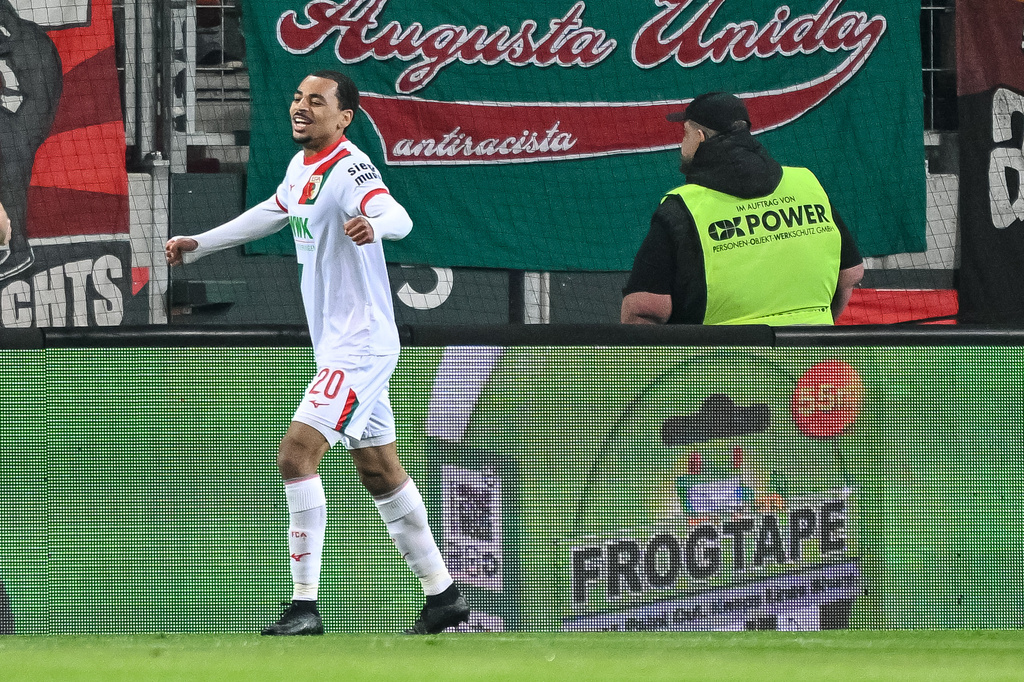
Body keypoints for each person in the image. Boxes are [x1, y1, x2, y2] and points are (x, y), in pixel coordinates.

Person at [165, 70, 469, 636]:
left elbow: (397, 215)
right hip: (342, 343)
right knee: (379, 469)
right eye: (298, 97)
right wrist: (200, 244)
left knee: (295, 455)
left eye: (316, 101)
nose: (301, 107)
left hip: (361, 342)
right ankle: (444, 595)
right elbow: (273, 211)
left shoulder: (351, 166)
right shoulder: (303, 165)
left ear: (344, 116)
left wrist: (373, 225)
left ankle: (304, 605)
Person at [621, 92, 864, 326]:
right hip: (808, 359)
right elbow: (850, 275)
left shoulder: (682, 209)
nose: (682, 145)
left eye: (685, 134)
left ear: (700, 137)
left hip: (720, 363)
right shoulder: (806, 184)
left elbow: (645, 309)